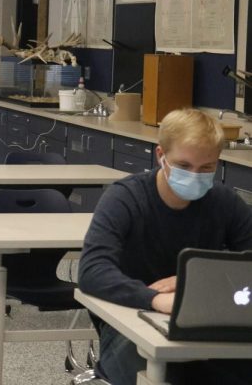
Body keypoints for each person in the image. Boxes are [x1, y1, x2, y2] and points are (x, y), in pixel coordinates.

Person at [78, 108, 252, 385]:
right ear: (161, 156)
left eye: (207, 168)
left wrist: (189, 282)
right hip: (130, 321)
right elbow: (92, 271)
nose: (196, 175)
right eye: (184, 166)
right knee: (159, 372)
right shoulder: (125, 198)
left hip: (205, 323)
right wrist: (154, 299)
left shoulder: (225, 203)